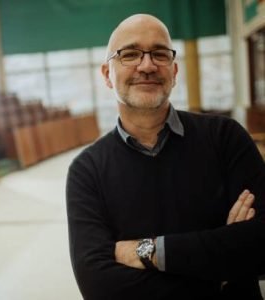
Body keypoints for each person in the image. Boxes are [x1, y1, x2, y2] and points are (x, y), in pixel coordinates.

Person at [66, 14, 265, 300]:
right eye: (130, 54)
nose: (147, 65)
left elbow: (261, 245)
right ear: (107, 75)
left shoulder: (226, 138)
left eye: (159, 53)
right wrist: (219, 276)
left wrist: (145, 252)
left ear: (173, 71)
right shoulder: (87, 171)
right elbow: (99, 286)